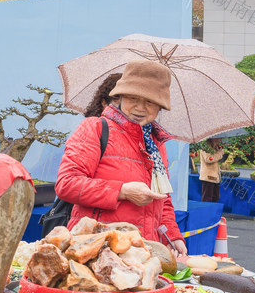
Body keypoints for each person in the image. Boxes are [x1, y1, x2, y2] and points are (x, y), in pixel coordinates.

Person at [56, 60, 187, 255]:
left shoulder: (156, 144)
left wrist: (172, 236)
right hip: (96, 249)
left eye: (150, 101)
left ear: (160, 106)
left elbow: (163, 198)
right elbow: (66, 184)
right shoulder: (96, 128)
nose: (140, 107)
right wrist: (122, 191)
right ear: (120, 97)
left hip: (142, 252)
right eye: (133, 98)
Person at [198, 137, 228, 202]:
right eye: (218, 138)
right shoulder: (205, 147)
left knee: (215, 197)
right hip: (208, 177)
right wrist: (219, 153)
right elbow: (209, 159)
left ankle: (212, 211)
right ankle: (206, 212)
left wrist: (218, 151)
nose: (219, 140)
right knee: (207, 198)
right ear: (212, 138)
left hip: (215, 177)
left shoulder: (214, 148)